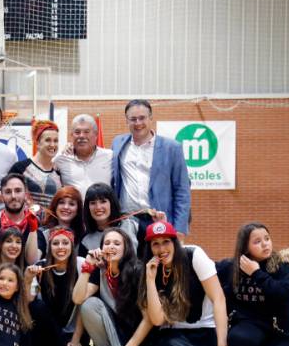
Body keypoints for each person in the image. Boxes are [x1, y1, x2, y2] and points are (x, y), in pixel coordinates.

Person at [139, 221, 237, 346]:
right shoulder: (151, 268)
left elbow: (219, 299)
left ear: (174, 242)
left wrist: (222, 345)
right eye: (156, 244)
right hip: (174, 335)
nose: (162, 249)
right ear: (150, 248)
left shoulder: (194, 255)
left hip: (206, 330)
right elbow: (157, 320)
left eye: (166, 242)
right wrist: (150, 279)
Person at [220, 223, 289, 346]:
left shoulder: (283, 266)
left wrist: (257, 274)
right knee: (237, 338)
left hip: (280, 334)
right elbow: (202, 266)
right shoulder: (232, 268)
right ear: (245, 247)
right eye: (257, 241)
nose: (265, 244)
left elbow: (286, 295)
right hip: (250, 330)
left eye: (267, 238)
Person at [73, 228, 153, 346]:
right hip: (119, 330)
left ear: (126, 248)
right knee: (89, 305)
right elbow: (78, 298)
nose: (111, 246)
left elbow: (148, 320)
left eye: (117, 243)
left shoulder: (137, 271)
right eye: (107, 243)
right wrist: (87, 266)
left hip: (142, 337)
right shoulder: (101, 270)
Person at [112, 100, 191, 237]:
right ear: (126, 121)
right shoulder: (118, 143)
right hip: (127, 221)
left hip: (159, 221)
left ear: (151, 118)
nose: (138, 123)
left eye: (142, 118)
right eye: (133, 119)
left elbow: (182, 190)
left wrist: (179, 229)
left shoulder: (172, 148)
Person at [27, 228, 90, 346]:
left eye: (65, 243)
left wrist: (76, 340)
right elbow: (29, 300)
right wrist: (28, 279)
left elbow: (84, 305)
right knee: (37, 306)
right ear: (49, 247)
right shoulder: (41, 266)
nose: (60, 247)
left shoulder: (81, 265)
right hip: (47, 331)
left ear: (72, 245)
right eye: (55, 243)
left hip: (72, 332)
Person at [0, 173, 39, 265]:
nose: (13, 196)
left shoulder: (33, 222)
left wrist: (33, 229)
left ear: (25, 194)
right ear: (2, 195)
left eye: (18, 191)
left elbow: (32, 262)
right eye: (8, 192)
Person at [55, 114, 112, 200]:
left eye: (86, 132)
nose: (81, 136)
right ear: (71, 135)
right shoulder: (61, 159)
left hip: (101, 208)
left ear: (96, 135)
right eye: (77, 132)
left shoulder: (110, 157)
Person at [9, 119, 62, 211]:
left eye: (56, 141)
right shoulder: (20, 168)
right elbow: (8, 195)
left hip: (52, 220)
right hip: (26, 219)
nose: (53, 144)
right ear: (37, 143)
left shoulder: (58, 171)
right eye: (48, 140)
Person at [79, 183, 143, 259]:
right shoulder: (86, 240)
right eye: (93, 203)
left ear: (112, 203)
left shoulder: (131, 224)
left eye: (103, 201)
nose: (98, 207)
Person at [38, 185, 84, 254]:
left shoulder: (83, 237)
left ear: (78, 210)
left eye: (71, 204)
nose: (66, 207)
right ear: (55, 206)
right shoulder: (42, 233)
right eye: (61, 202)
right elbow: (34, 258)